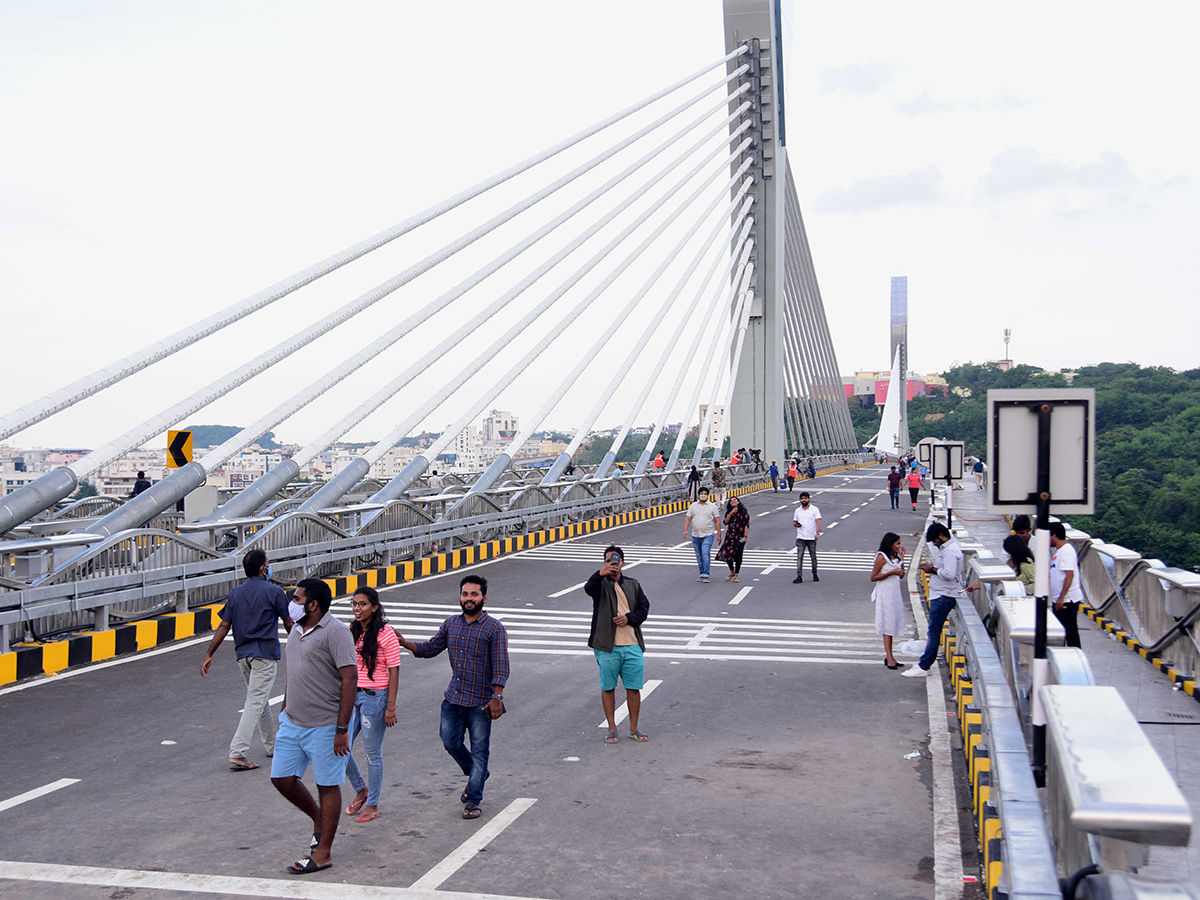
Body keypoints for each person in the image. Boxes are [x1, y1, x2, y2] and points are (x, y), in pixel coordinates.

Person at [393, 575, 508, 820]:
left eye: (474, 594)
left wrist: (497, 697)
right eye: (465, 594)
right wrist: (405, 643)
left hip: (480, 702)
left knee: (480, 752)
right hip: (453, 699)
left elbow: (501, 666)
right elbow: (431, 648)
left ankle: (473, 798)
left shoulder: (494, 628)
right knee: (450, 743)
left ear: (484, 598)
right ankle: (479, 773)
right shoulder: (451, 624)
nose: (469, 599)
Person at [270, 578, 357, 875]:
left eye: (297, 599)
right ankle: (319, 819)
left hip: (326, 724)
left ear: (313, 604)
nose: (292, 604)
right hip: (292, 721)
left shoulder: (336, 633)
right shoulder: (296, 630)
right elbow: (294, 670)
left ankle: (323, 853)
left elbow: (350, 679)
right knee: (281, 778)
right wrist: (284, 709)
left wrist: (342, 728)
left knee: (327, 785)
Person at [200, 548, 294, 771]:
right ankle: (238, 752)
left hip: (243, 655)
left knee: (258, 700)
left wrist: (209, 653)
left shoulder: (236, 593)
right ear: (263, 569)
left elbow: (224, 625)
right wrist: (304, 648)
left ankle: (273, 746)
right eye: (268, 564)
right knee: (255, 701)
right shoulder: (275, 592)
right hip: (264, 655)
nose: (270, 567)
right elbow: (289, 623)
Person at [343, 587, 401, 824]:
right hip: (352, 696)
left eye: (363, 604)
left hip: (375, 698)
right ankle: (360, 789)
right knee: (338, 746)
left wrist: (391, 706)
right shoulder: (351, 631)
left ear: (374, 607)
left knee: (372, 753)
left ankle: (373, 804)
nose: (357, 608)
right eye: (354, 604)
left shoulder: (386, 634)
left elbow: (394, 670)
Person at [584, 546, 650, 744]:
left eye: (616, 560)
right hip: (607, 645)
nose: (613, 564)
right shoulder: (600, 584)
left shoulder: (633, 584)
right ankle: (612, 727)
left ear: (622, 562)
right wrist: (600, 573)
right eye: (608, 560)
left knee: (633, 687)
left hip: (632, 643)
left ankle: (634, 727)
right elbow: (588, 589)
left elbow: (644, 609)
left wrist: (629, 618)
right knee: (608, 686)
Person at [902, 523, 963, 678]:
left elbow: (949, 574)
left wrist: (932, 570)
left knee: (934, 632)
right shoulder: (948, 549)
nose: (935, 544)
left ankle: (924, 665)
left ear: (942, 536)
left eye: (935, 541)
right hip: (940, 594)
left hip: (943, 595)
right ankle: (924, 663)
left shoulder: (949, 551)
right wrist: (932, 567)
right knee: (933, 631)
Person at [870, 532, 907, 669]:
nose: (899, 546)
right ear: (890, 544)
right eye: (897, 543)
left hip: (895, 594)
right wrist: (891, 573)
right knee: (887, 624)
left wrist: (902, 559)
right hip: (885, 593)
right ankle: (889, 657)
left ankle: (891, 656)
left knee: (893, 624)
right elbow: (873, 577)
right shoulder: (882, 557)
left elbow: (902, 575)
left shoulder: (895, 557)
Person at [1049, 523, 1083, 648]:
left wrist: (1062, 597)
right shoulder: (1059, 552)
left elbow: (1069, 575)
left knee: (1070, 631)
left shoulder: (1066, 551)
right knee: (1063, 630)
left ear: (1054, 535)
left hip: (1067, 600)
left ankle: (1075, 655)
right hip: (1060, 598)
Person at [684, 486, 722, 583]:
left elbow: (717, 521)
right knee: (699, 555)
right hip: (696, 534)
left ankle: (706, 574)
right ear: (699, 495)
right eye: (702, 494)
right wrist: (685, 530)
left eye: (705, 494)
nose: (703, 496)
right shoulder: (693, 506)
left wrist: (719, 535)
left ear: (708, 495)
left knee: (705, 553)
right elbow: (688, 518)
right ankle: (702, 573)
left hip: (708, 534)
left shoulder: (712, 507)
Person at [717, 496, 750, 583]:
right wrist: (731, 513)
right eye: (731, 501)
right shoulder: (729, 512)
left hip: (739, 537)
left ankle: (736, 574)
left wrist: (745, 536)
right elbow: (725, 522)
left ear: (738, 502)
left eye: (735, 500)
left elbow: (746, 525)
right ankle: (732, 571)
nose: (733, 501)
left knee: (738, 556)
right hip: (730, 536)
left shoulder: (743, 513)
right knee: (727, 554)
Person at [791, 491, 822, 584]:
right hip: (801, 536)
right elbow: (794, 522)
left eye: (805, 498)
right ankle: (799, 576)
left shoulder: (814, 509)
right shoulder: (797, 510)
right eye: (802, 498)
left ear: (809, 499)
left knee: (813, 556)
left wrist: (817, 533)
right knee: (799, 557)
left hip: (811, 537)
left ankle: (815, 574)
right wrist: (797, 525)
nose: (804, 500)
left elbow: (818, 521)